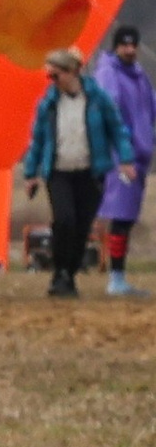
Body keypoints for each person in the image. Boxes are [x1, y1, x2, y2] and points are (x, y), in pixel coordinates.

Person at [21, 48, 127, 298]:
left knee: (81, 227)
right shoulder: (48, 105)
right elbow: (37, 140)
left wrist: (126, 159)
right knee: (64, 220)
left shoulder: (98, 100)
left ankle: (70, 273)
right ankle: (59, 272)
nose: (52, 82)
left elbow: (117, 130)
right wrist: (30, 173)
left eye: (56, 76)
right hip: (59, 172)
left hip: (90, 173)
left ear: (73, 72)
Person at [93, 22, 153, 297]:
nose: (129, 50)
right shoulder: (108, 74)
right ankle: (115, 278)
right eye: (124, 45)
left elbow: (150, 108)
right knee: (120, 214)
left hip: (140, 155)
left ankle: (119, 276)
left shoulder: (139, 76)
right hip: (121, 157)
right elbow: (111, 114)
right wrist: (124, 149)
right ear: (116, 46)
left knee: (127, 216)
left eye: (133, 45)